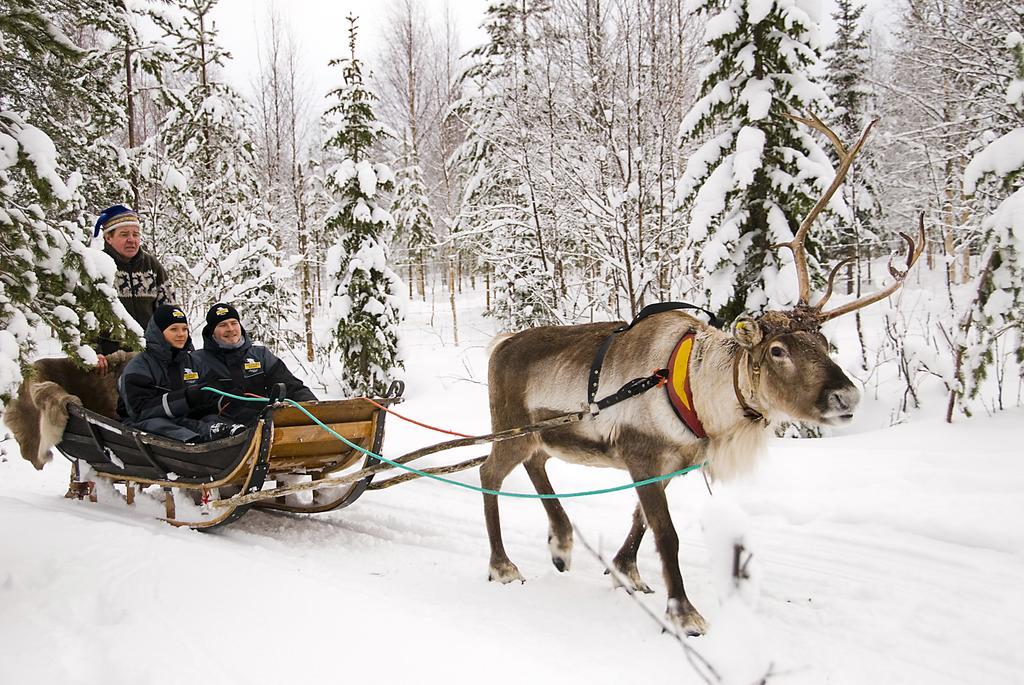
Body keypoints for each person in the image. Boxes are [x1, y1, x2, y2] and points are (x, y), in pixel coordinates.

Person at [117, 305, 244, 443]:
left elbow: (208, 400)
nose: (181, 334)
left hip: (186, 420)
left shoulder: (194, 362)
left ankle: (224, 433)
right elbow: (139, 411)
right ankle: (196, 443)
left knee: (212, 419)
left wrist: (223, 401)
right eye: (173, 329)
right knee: (156, 424)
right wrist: (186, 398)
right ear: (158, 332)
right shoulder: (140, 366)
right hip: (145, 425)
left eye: (184, 329)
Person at [194, 303, 317, 424]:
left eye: (234, 323)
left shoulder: (260, 355)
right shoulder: (198, 361)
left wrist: (315, 408)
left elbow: (291, 386)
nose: (230, 329)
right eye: (222, 325)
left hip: (264, 423)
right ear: (212, 332)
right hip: (224, 431)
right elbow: (196, 406)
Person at [93, 204, 175, 374]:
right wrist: (94, 351)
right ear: (108, 238)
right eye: (124, 235)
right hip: (109, 362)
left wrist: (179, 345)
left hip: (151, 357)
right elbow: (83, 317)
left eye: (135, 234)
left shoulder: (152, 266)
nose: (132, 239)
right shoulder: (97, 266)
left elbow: (170, 312)